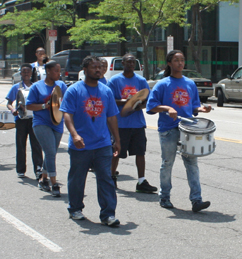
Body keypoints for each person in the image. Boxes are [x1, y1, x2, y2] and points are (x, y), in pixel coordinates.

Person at [146, 50, 212, 212]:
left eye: (182, 60)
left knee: (192, 163)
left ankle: (196, 200)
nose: (180, 63)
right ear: (169, 63)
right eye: (176, 60)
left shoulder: (189, 83)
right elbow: (151, 106)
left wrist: (203, 109)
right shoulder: (162, 84)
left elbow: (194, 106)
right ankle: (164, 196)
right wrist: (168, 108)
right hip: (168, 129)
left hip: (188, 129)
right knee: (167, 163)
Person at [60, 55, 121, 226]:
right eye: (94, 67)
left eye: (100, 67)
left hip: (102, 144)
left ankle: (108, 214)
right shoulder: (74, 90)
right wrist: (74, 135)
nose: (98, 70)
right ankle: (75, 208)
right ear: (85, 70)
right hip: (81, 144)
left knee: (106, 179)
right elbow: (67, 114)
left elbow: (111, 117)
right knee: (77, 179)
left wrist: (116, 139)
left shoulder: (106, 91)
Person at [107, 53, 157, 193]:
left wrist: (138, 104)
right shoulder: (115, 81)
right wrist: (127, 102)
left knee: (140, 152)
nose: (131, 64)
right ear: (122, 63)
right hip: (121, 124)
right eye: (128, 62)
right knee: (117, 152)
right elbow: (110, 100)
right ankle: (111, 177)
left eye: (133, 62)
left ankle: (141, 181)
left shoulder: (141, 81)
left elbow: (147, 99)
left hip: (137, 123)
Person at [26, 60, 67, 197]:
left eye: (59, 70)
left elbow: (66, 102)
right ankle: (54, 183)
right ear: (48, 71)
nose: (59, 73)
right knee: (50, 152)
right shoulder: (37, 87)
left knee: (51, 153)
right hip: (41, 123)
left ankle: (43, 179)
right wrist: (44, 106)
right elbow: (29, 106)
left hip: (57, 122)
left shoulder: (61, 85)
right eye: (56, 70)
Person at [5, 63, 43, 179]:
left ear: (31, 73)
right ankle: (21, 170)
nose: (26, 74)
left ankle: (38, 169)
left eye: (28, 71)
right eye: (24, 72)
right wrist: (13, 110)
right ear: (20, 73)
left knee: (36, 145)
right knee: (21, 145)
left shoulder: (35, 86)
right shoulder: (16, 87)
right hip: (21, 119)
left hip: (33, 119)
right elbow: (8, 103)